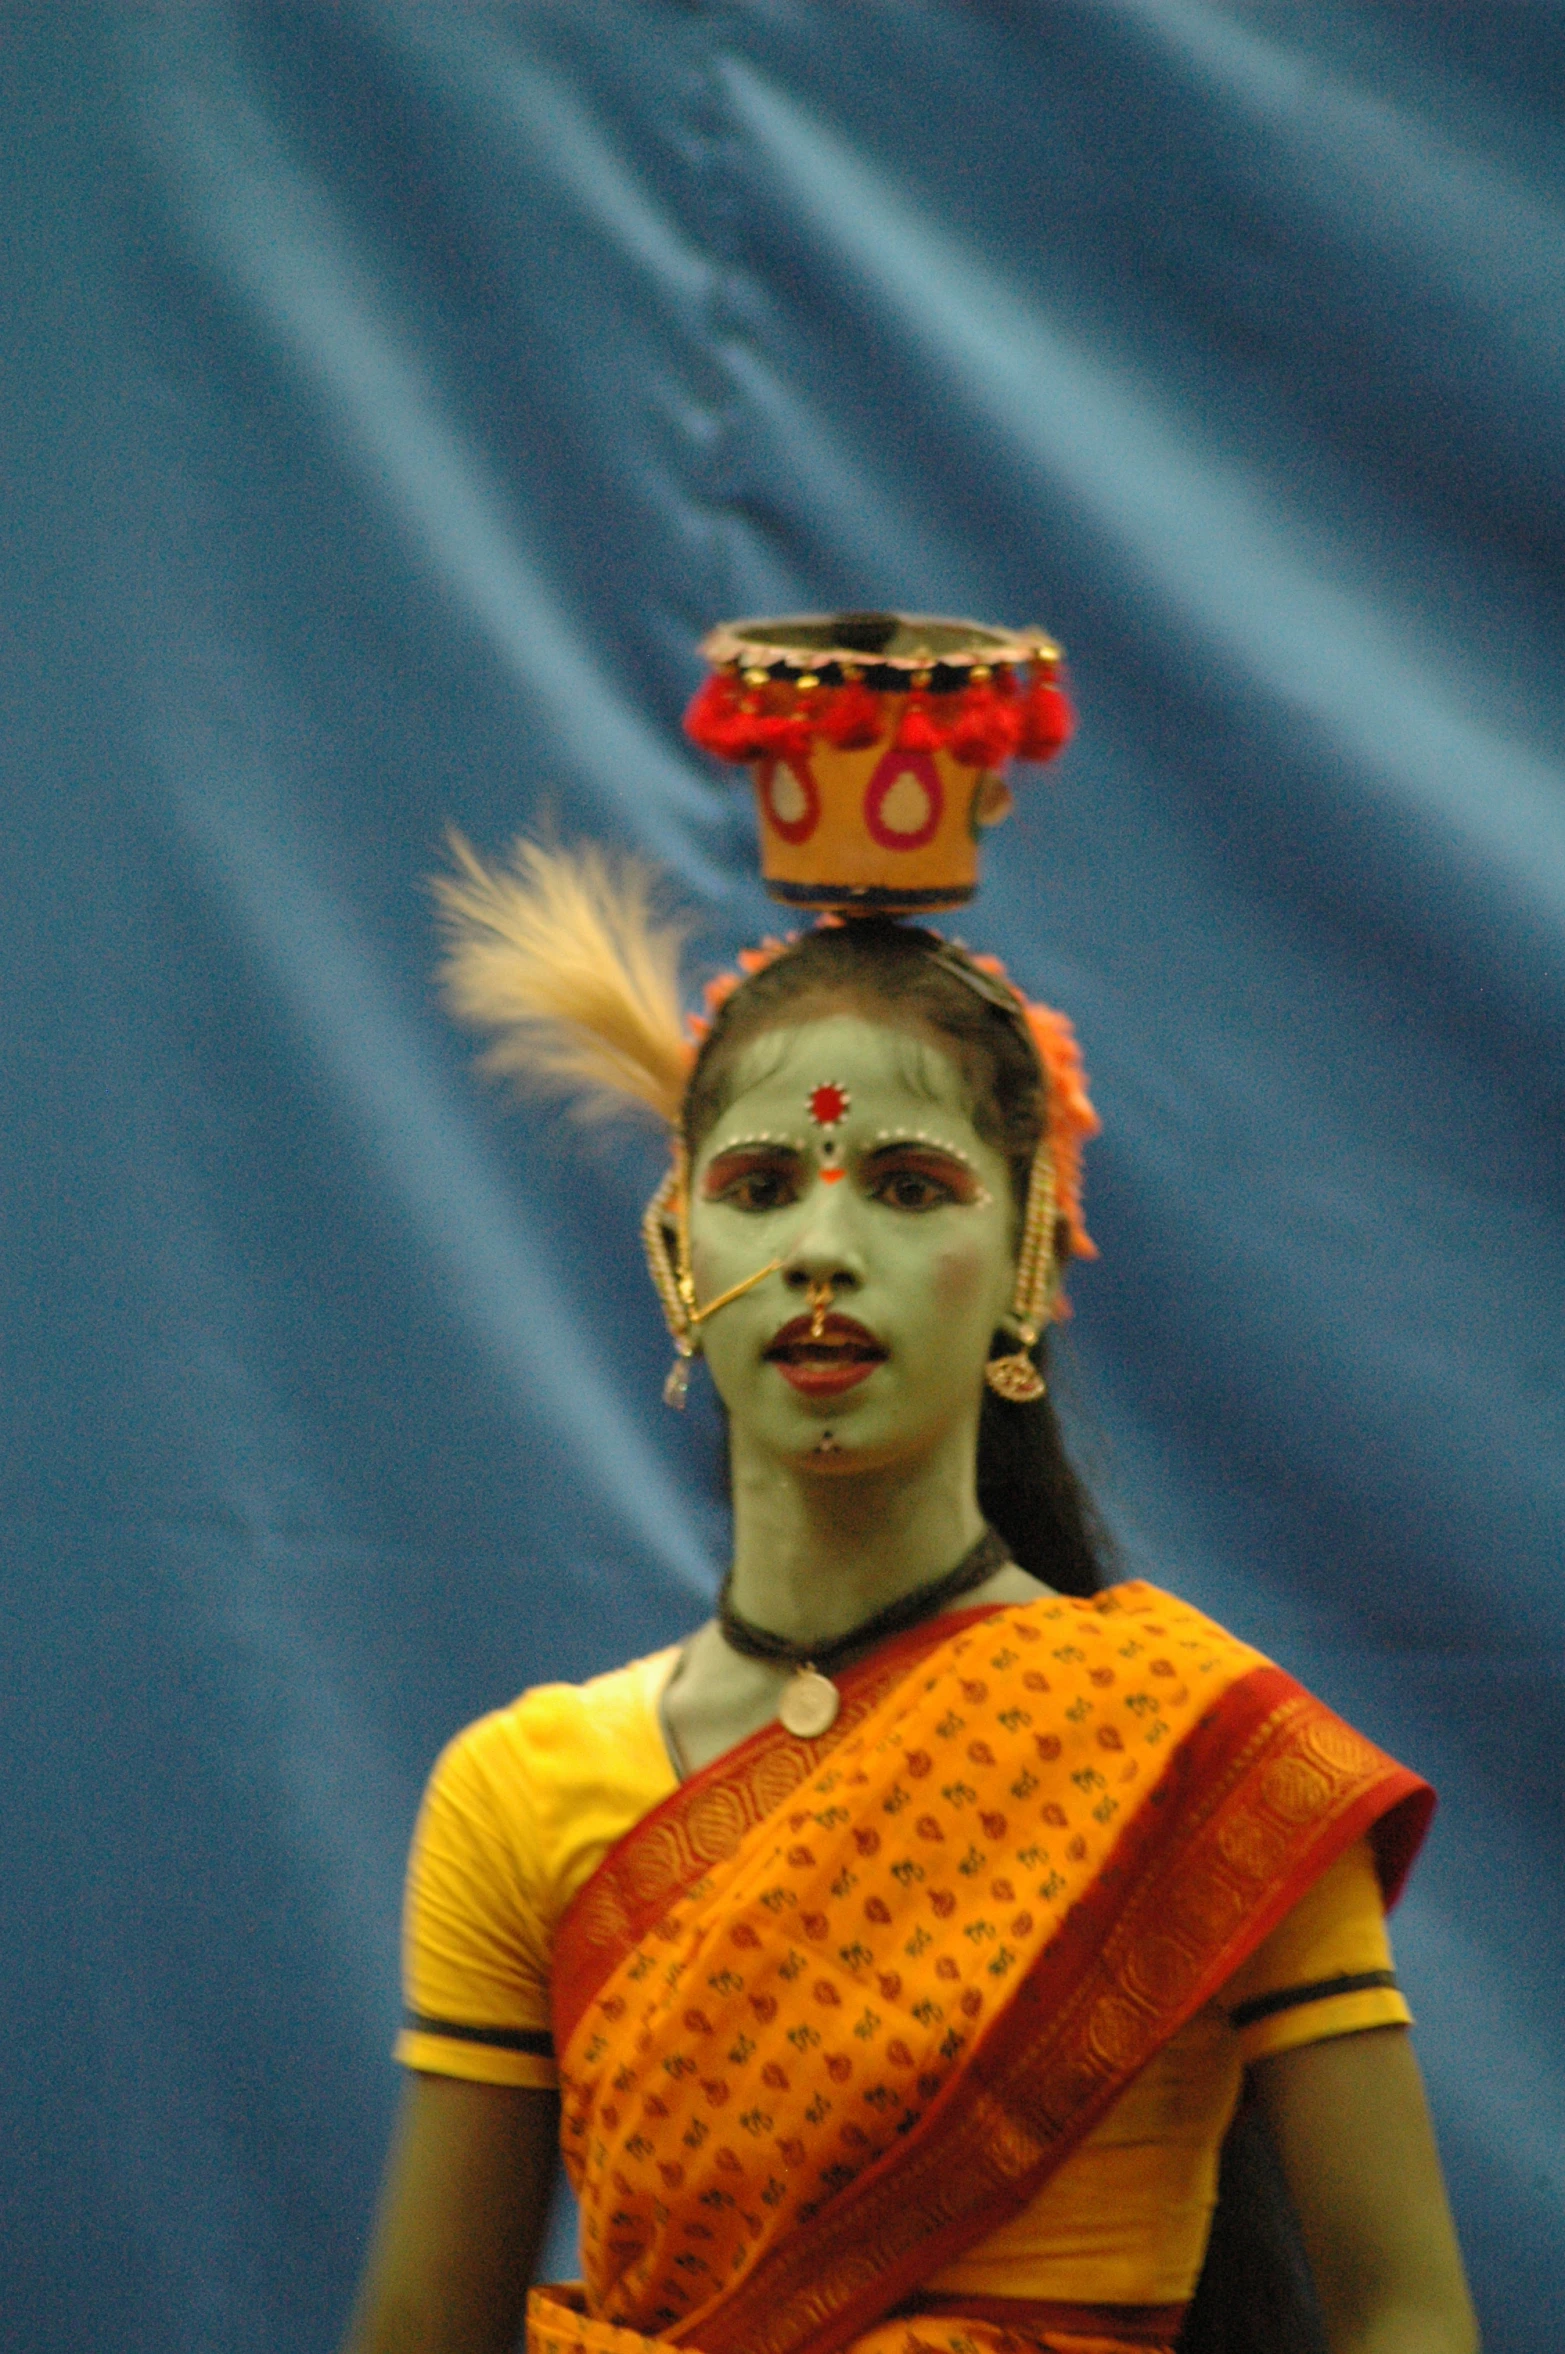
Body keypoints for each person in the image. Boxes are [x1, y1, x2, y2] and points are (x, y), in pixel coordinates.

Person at [340, 617, 1479, 2354]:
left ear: (1027, 1254)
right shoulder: (519, 1795)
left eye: (908, 1183)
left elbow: (1404, 2308)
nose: (821, 1247)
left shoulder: (1198, 1759)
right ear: (674, 1252)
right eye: (764, 1181)